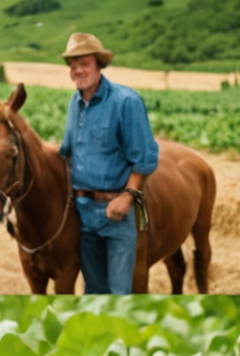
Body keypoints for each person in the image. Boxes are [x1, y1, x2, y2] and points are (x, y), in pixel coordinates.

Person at [59, 33, 158, 294]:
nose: (77, 71)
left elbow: (145, 157)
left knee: (118, 292)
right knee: (93, 289)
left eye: (84, 64)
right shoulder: (75, 103)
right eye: (72, 65)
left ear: (99, 65)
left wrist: (126, 198)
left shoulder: (125, 101)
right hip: (83, 211)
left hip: (115, 212)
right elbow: (67, 151)